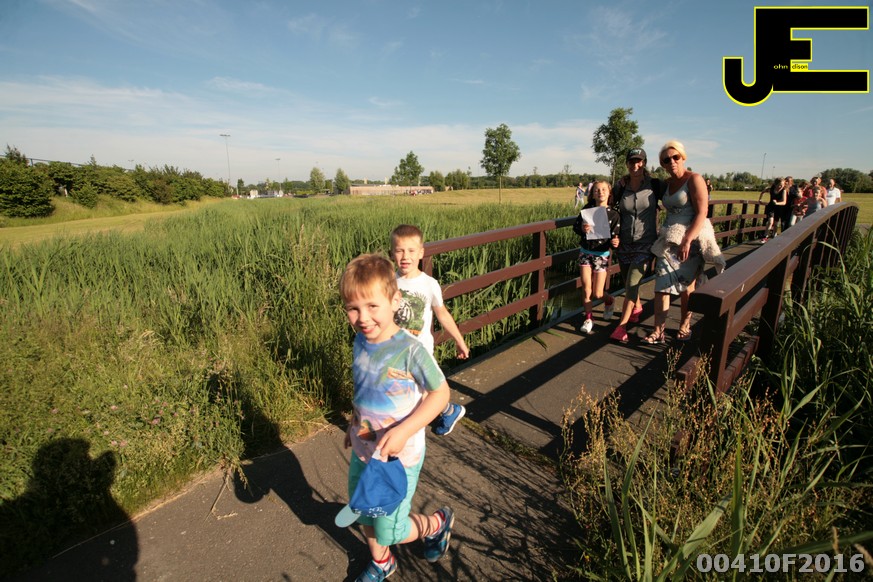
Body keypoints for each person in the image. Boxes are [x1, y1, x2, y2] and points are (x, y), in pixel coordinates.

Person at [339, 253, 455, 581]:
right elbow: (364, 390)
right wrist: (352, 423)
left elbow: (440, 394)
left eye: (372, 306)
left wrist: (404, 431)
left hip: (398, 460)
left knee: (391, 530)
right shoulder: (360, 342)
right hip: (364, 447)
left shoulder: (411, 350)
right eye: (353, 308)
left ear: (394, 301)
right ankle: (382, 562)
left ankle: (435, 524)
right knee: (363, 511)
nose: (363, 318)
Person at [390, 224, 470, 436]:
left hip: (421, 350)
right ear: (392, 253)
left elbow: (442, 314)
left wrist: (459, 340)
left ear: (421, 253)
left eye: (411, 250)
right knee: (414, 393)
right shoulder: (389, 283)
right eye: (399, 251)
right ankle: (448, 411)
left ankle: (440, 414)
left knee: (425, 393)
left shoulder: (428, 284)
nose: (405, 256)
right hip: (397, 350)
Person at [645, 140, 709, 344]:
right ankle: (658, 331)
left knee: (687, 287)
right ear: (662, 164)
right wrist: (624, 180)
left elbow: (702, 212)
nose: (671, 161)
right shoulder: (668, 183)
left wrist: (688, 240)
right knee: (661, 285)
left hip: (690, 240)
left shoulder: (694, 179)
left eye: (675, 157)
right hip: (669, 239)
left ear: (683, 157)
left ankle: (684, 325)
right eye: (666, 160)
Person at [609, 147, 663, 344]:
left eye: (639, 161)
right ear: (627, 164)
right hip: (624, 242)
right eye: (632, 161)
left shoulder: (655, 185)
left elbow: (676, 199)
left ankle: (621, 327)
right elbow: (607, 207)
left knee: (632, 284)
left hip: (646, 243)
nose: (635, 165)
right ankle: (637, 307)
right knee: (628, 283)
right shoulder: (620, 186)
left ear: (645, 163)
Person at [573, 181, 620, 335]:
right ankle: (588, 318)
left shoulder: (614, 214)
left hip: (601, 255)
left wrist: (616, 242)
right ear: (592, 194)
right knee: (586, 288)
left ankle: (609, 300)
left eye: (604, 189)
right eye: (597, 190)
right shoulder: (587, 210)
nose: (600, 192)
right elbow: (576, 227)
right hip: (585, 252)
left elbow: (616, 237)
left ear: (609, 192)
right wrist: (582, 228)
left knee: (598, 293)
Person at [757, 177, 786, 241]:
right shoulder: (771, 189)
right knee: (770, 222)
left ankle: (774, 235)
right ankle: (765, 236)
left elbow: (784, 202)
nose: (781, 186)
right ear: (776, 184)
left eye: (782, 185)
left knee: (776, 224)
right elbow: (763, 192)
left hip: (779, 208)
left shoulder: (783, 191)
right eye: (779, 185)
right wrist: (760, 199)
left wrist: (777, 203)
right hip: (771, 207)